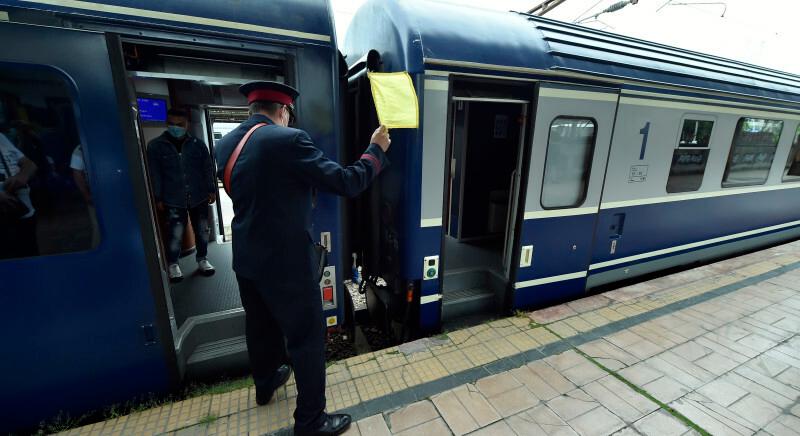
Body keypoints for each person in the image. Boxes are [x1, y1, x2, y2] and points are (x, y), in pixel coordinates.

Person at [215, 81, 390, 436]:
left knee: (260, 326)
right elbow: (346, 182)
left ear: (253, 109)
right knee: (307, 340)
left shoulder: (226, 144)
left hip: (246, 257)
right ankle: (311, 422)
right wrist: (376, 150)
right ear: (283, 111)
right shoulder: (288, 140)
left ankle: (265, 383)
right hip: (287, 265)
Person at [146, 108, 217, 282]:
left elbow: (207, 168)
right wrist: (158, 197)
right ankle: (173, 264)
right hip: (172, 197)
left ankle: (202, 259)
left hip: (198, 194)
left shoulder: (197, 144)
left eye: (180, 124)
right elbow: (154, 174)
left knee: (202, 230)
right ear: (167, 123)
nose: (176, 127)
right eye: (172, 124)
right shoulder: (155, 146)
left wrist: (211, 189)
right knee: (175, 233)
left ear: (186, 125)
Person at [0, 132, 38, 260]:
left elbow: (30, 164)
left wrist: (22, 177)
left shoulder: (1, 137)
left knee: (31, 259)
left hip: (22, 210)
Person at [70, 145, 101, 248]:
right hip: (95, 191)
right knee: (98, 225)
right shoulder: (80, 149)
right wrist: (86, 195)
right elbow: (77, 174)